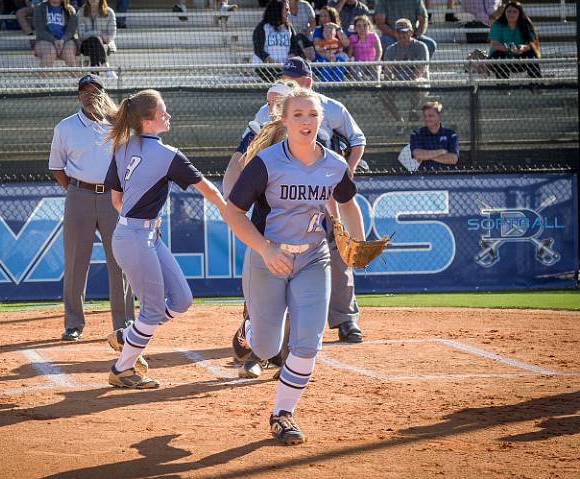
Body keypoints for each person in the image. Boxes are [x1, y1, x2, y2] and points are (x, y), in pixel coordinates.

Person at [225, 86, 366, 445]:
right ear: (284, 120)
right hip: (267, 257)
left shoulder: (334, 164)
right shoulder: (266, 163)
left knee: (306, 344)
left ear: (322, 120)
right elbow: (234, 213)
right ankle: (250, 333)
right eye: (299, 115)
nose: (307, 121)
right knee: (269, 348)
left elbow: (348, 203)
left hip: (313, 257)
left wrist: (357, 243)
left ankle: (282, 414)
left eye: (313, 115)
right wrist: (266, 248)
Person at [104, 89, 227, 389]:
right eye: (163, 113)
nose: (168, 117)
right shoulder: (166, 153)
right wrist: (230, 213)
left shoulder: (122, 147)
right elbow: (208, 190)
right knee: (153, 310)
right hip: (135, 237)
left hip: (141, 234)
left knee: (182, 300)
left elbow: (116, 201)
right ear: (147, 122)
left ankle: (127, 338)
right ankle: (122, 369)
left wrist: (140, 223)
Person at [48, 75, 136, 342]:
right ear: (78, 96)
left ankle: (124, 323)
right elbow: (56, 167)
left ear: (103, 93)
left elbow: (132, 161)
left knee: (120, 261)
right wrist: (76, 190)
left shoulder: (119, 125)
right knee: (76, 263)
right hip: (79, 196)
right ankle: (73, 323)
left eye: (95, 90)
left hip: (113, 197)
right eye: (84, 91)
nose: (90, 95)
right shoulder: (65, 127)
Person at [380, 19, 430, 123]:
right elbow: (388, 72)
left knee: (416, 84)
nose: (401, 35)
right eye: (398, 32)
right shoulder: (390, 49)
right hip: (398, 82)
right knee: (382, 92)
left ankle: (413, 113)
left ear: (411, 32)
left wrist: (410, 81)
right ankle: (399, 120)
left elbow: (421, 68)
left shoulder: (421, 46)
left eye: (404, 32)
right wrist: (389, 82)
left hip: (418, 80)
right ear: (395, 33)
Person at [252, 0, 305, 82]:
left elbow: (295, 46)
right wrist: (271, 62)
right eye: (286, 10)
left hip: (285, 68)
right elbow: (258, 49)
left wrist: (292, 54)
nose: (289, 13)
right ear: (277, 10)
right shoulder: (263, 27)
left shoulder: (288, 28)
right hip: (265, 68)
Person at [488, 1, 541, 79]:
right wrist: (509, 48)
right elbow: (494, 44)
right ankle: (503, 86)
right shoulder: (497, 24)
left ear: (520, 13)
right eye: (509, 11)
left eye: (514, 12)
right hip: (501, 61)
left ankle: (537, 83)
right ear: (504, 13)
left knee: (532, 54)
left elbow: (533, 43)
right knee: (499, 55)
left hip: (521, 61)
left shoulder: (526, 23)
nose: (511, 14)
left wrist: (523, 48)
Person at [408, 101, 459, 171]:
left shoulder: (450, 134)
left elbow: (453, 159)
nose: (427, 119)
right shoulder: (417, 134)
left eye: (430, 116)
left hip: (446, 176)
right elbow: (418, 155)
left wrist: (426, 156)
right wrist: (441, 152)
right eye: (425, 116)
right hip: (423, 176)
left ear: (440, 116)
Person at [77, 0, 117, 76]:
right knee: (94, 40)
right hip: (85, 45)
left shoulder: (109, 12)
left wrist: (101, 37)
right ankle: (105, 66)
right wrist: (100, 33)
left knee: (95, 43)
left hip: (104, 45)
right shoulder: (81, 13)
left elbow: (111, 35)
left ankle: (95, 75)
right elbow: (81, 35)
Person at [34, 0, 79, 68]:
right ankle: (43, 78)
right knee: (50, 52)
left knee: (68, 52)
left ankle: (76, 77)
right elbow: (40, 31)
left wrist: (62, 40)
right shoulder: (39, 8)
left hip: (66, 40)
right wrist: (54, 40)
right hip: (44, 40)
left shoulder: (70, 9)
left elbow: (71, 31)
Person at [347, 14, 382, 81]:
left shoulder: (373, 36)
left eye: (365, 25)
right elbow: (350, 53)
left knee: (375, 71)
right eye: (359, 26)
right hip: (359, 62)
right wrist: (350, 65)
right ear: (355, 28)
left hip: (373, 61)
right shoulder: (352, 38)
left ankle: (376, 88)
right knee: (356, 72)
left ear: (369, 27)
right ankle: (360, 89)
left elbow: (379, 50)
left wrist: (376, 61)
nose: (362, 28)